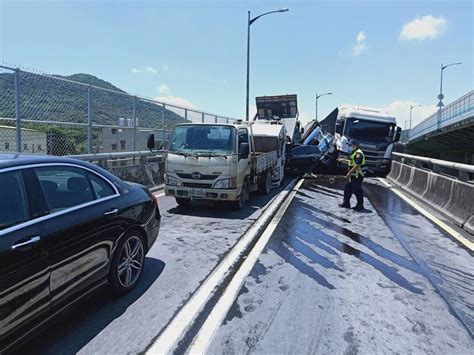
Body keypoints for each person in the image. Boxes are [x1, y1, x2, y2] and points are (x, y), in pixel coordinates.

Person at [337, 139, 366, 211]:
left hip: (357, 175)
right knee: (347, 189)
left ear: (355, 145)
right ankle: (346, 203)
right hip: (352, 176)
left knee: (357, 190)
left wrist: (349, 173)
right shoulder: (354, 152)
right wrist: (343, 160)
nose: (350, 146)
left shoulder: (359, 153)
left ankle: (360, 205)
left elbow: (357, 165)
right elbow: (351, 162)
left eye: (351, 145)